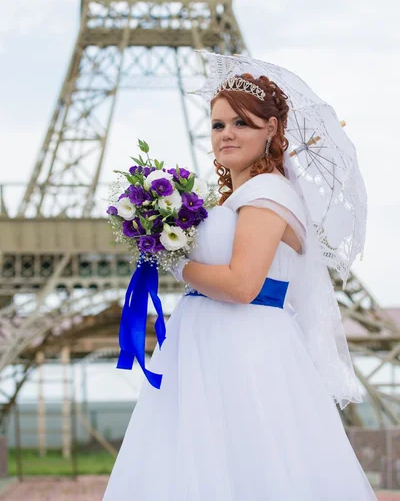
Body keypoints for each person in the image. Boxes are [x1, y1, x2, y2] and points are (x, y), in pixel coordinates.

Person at [102, 72, 378, 500]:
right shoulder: (235, 197)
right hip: (207, 345)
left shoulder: (268, 192)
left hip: (243, 349)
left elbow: (243, 285)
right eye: (218, 125)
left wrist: (175, 262)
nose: (226, 134)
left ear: (270, 129)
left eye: (241, 123)